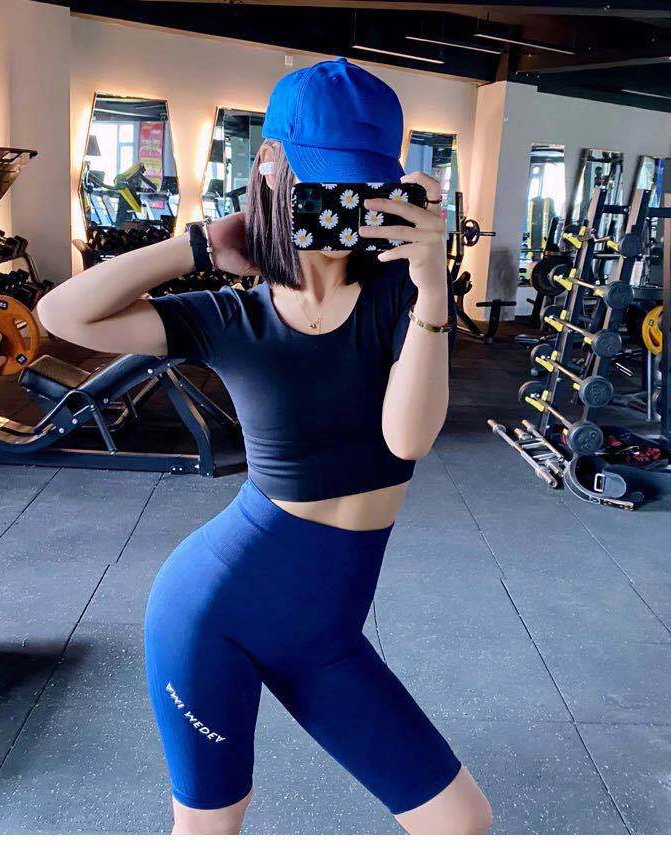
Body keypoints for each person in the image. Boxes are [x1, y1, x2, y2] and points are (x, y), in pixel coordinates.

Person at [37, 57, 492, 836]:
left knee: (461, 821)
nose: (341, 201)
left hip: (324, 638)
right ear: (273, 170)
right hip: (211, 614)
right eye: (320, 182)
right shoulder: (231, 315)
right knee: (211, 825)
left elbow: (407, 438)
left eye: (361, 185)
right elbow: (61, 315)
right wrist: (200, 245)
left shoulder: (401, 298)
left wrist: (432, 286)